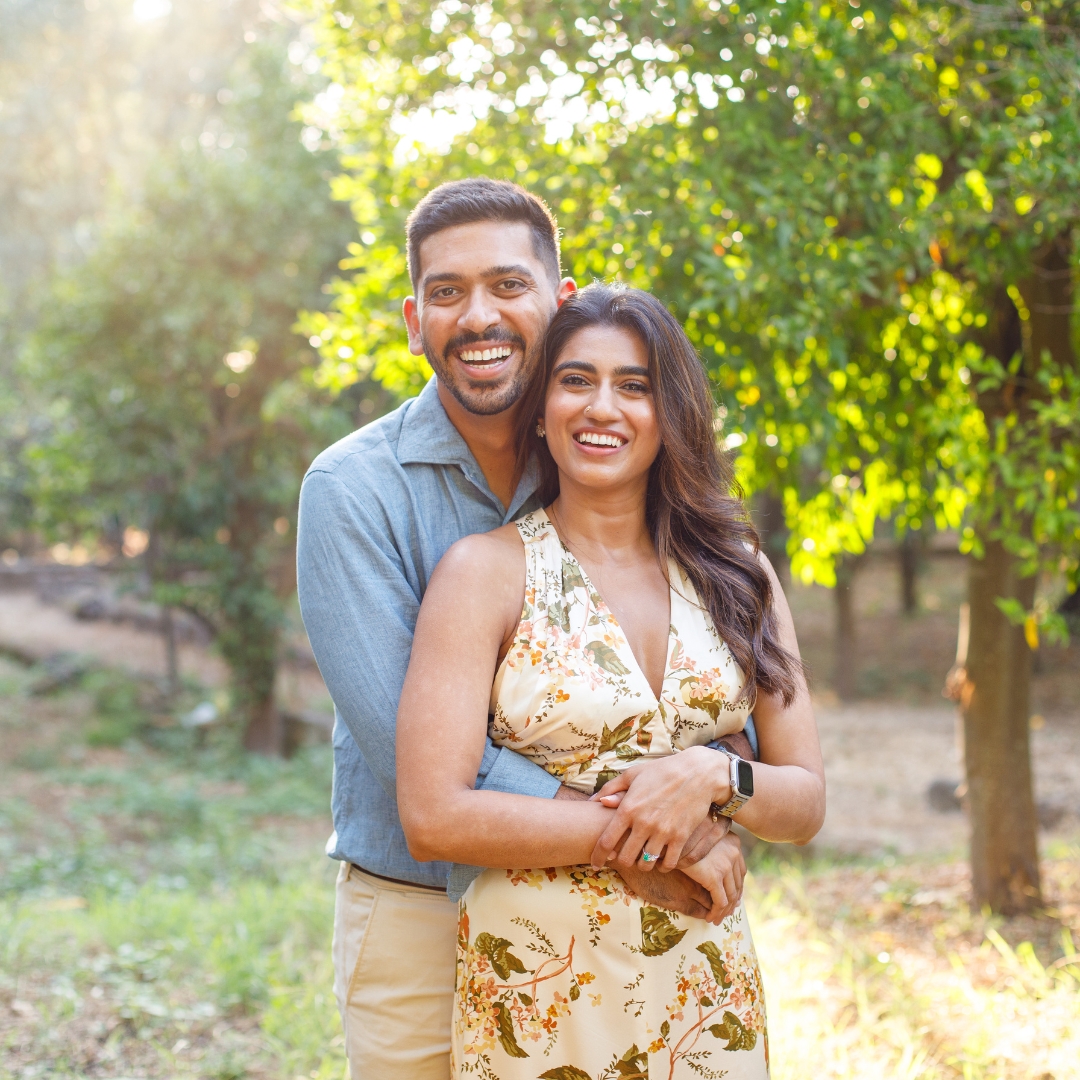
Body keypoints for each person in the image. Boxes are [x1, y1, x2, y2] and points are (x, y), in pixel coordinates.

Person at [296, 179, 756, 1079]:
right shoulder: (351, 491)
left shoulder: (607, 465)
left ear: (562, 300)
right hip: (422, 917)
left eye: (508, 285)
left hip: (632, 920)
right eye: (446, 292)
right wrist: (652, 832)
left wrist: (704, 780)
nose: (478, 316)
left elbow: (697, 688)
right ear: (411, 317)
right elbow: (416, 752)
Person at [396, 283, 825, 1079]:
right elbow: (433, 816)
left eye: (635, 385)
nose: (604, 408)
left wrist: (708, 774)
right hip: (541, 989)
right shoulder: (484, 574)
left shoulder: (740, 573)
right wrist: (658, 841)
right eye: (576, 380)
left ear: (671, 413)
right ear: (539, 407)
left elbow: (802, 803)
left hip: (705, 991)